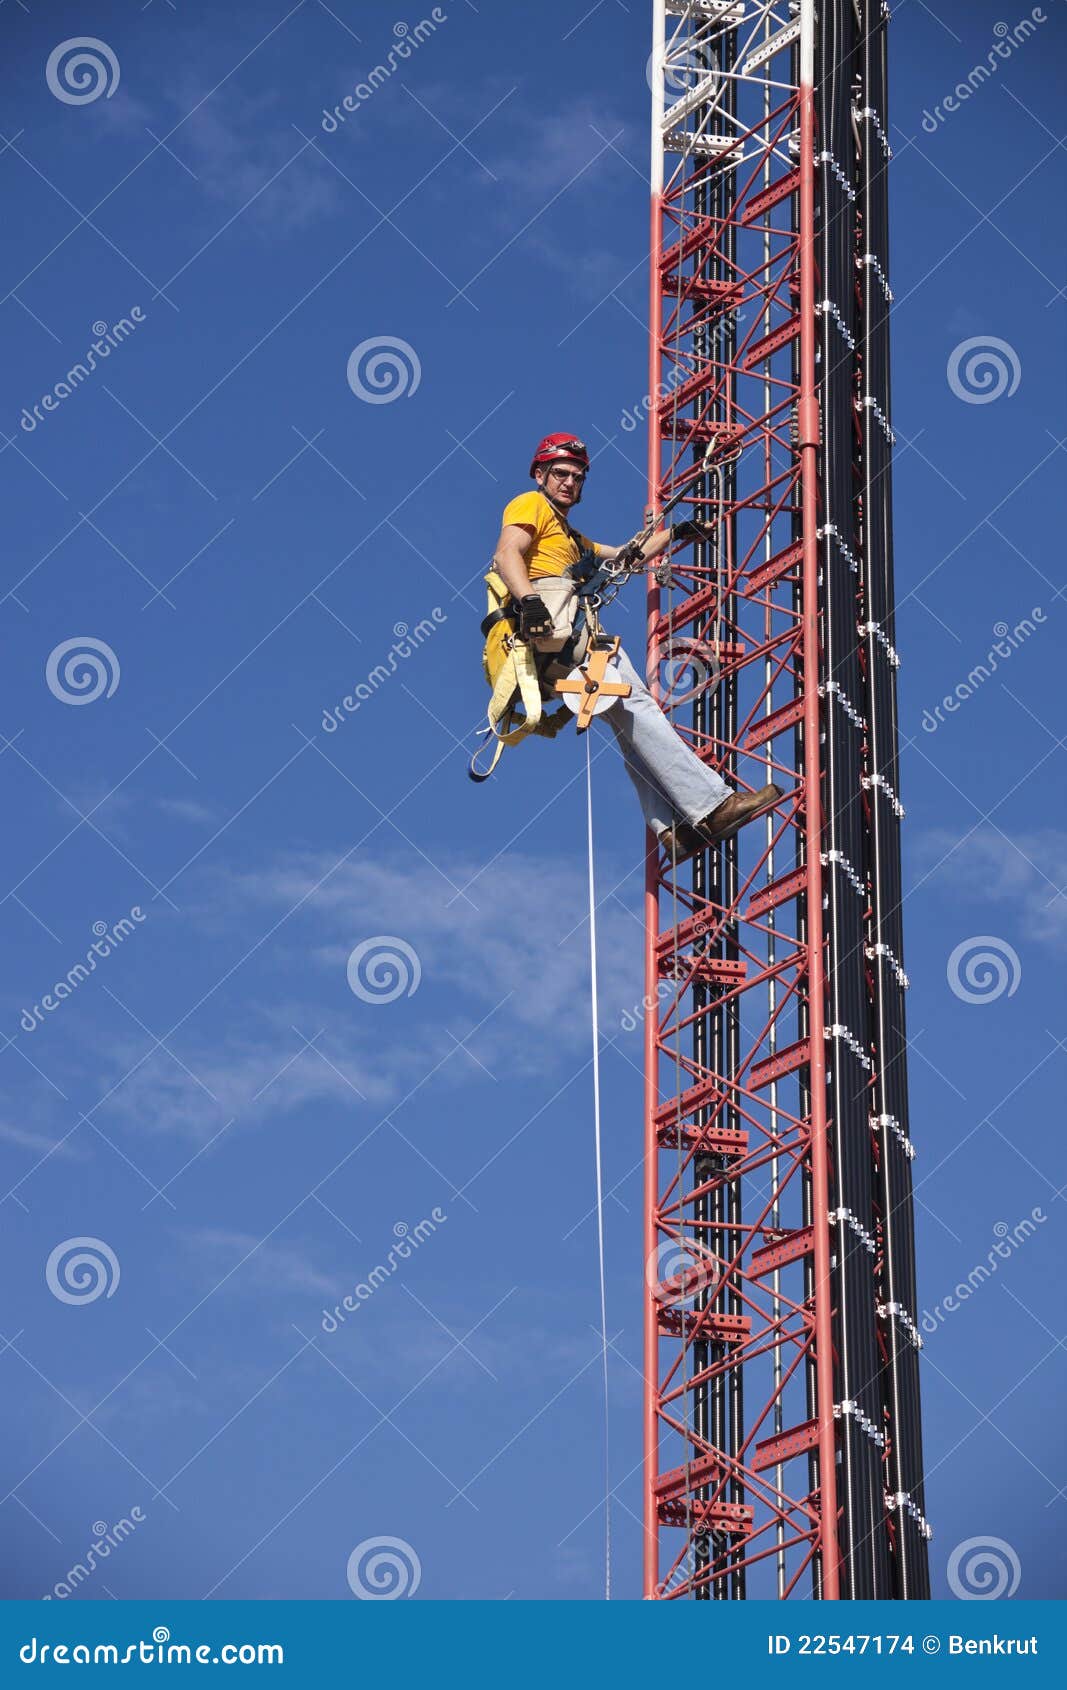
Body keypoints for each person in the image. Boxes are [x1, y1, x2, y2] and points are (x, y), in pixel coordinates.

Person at [490, 433, 782, 854]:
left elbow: (625, 556)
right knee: (639, 706)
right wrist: (530, 601)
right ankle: (712, 806)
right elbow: (507, 554)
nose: (569, 483)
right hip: (558, 633)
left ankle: (672, 830)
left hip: (559, 647)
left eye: (577, 477)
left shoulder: (570, 538)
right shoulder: (530, 504)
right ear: (540, 475)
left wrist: (673, 533)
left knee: (629, 721)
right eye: (561, 474)